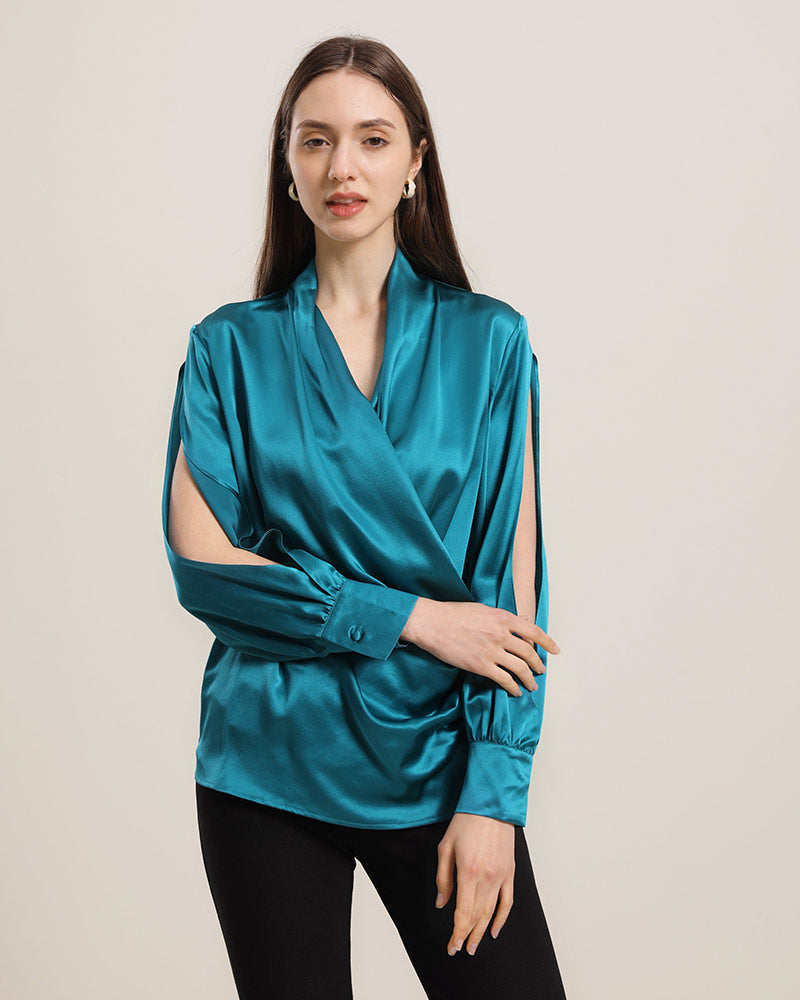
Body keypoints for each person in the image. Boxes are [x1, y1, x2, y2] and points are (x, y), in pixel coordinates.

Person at [162, 34, 567, 1000]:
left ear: (415, 161)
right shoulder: (227, 349)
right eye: (316, 140)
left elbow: (510, 598)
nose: (343, 165)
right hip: (266, 765)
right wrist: (414, 617)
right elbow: (202, 566)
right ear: (288, 165)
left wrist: (495, 795)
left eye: (373, 139)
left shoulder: (491, 342)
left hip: (440, 764)